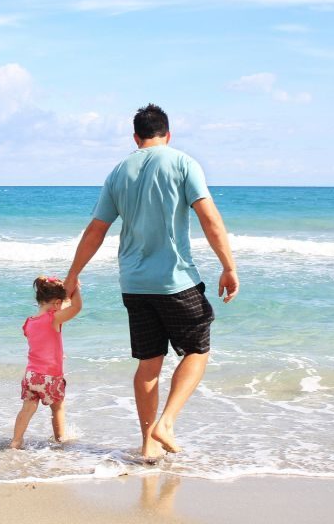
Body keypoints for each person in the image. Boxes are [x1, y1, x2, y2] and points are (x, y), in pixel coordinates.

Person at [63, 103, 239, 459]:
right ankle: (167, 423)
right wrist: (228, 266)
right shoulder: (183, 162)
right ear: (167, 134)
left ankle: (147, 446)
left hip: (134, 283)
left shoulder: (117, 172)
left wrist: (73, 274)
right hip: (174, 281)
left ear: (135, 137)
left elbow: (97, 230)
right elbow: (209, 218)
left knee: (148, 363)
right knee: (197, 351)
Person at [10, 276, 82, 449]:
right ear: (57, 303)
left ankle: (16, 441)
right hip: (50, 376)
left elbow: (42, 342)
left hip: (31, 376)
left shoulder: (28, 323)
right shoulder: (54, 319)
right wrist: (76, 289)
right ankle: (60, 439)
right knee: (57, 408)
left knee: (27, 408)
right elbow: (76, 307)